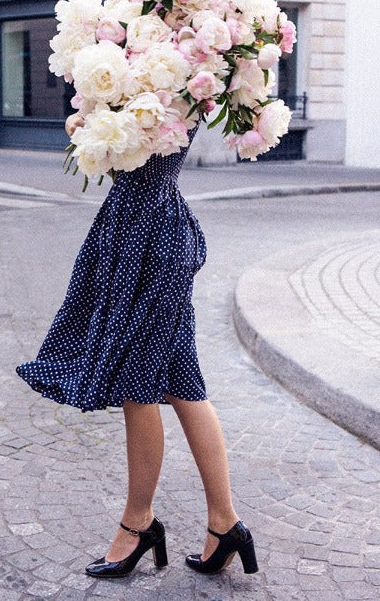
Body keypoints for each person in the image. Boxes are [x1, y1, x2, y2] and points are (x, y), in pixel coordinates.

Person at [16, 112, 258, 580]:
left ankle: (138, 524)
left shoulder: (171, 70)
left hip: (146, 238)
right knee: (184, 383)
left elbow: (133, 156)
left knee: (138, 385)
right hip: (144, 230)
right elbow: (128, 160)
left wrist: (88, 131)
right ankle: (225, 523)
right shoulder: (173, 69)